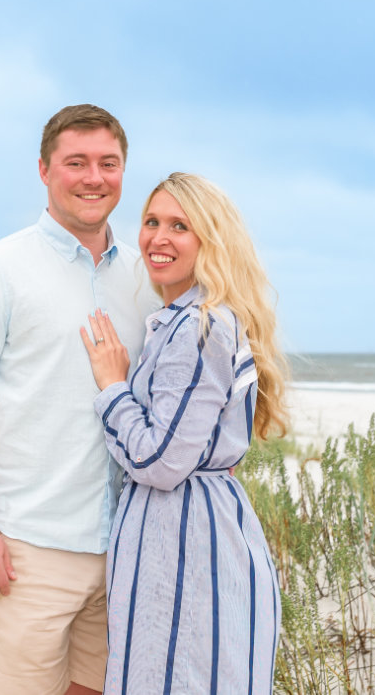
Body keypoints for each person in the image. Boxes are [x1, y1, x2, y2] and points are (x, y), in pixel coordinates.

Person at [0, 104, 159, 695]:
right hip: (27, 548)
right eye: (76, 162)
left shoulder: (145, 279)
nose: (93, 177)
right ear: (44, 170)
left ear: (123, 170)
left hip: (126, 546)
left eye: (108, 163)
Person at [81, 172, 288, 694]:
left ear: (210, 241)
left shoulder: (200, 326)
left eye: (180, 226)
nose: (158, 238)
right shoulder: (179, 322)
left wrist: (111, 386)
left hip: (183, 540)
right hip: (185, 530)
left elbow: (162, 463)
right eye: (151, 222)